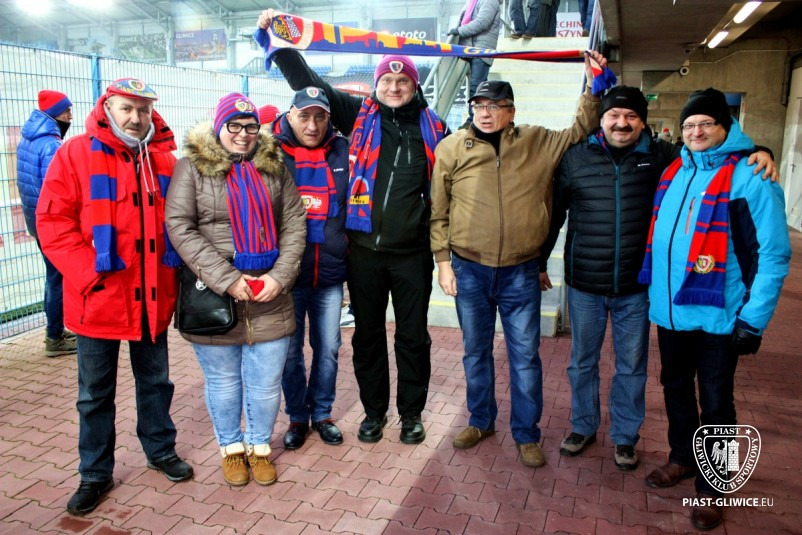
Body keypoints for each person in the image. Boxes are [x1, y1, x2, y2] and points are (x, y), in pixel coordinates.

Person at [537, 86, 776, 472]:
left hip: (651, 292)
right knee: (591, 364)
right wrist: (541, 261)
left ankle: (632, 440)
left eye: (631, 116)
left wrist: (760, 151)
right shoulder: (577, 158)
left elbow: (719, 156)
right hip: (594, 287)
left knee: (666, 380)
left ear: (643, 123)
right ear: (601, 120)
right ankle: (588, 428)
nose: (622, 123)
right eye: (614, 115)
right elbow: (555, 214)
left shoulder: (665, 158)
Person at [257, 10, 447, 446]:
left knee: (413, 338)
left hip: (412, 254)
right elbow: (309, 84)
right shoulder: (358, 115)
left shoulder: (436, 128)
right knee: (368, 337)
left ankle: (411, 414)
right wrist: (280, 41)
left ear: (414, 86)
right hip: (363, 253)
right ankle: (374, 413)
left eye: (402, 81)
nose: (394, 87)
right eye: (387, 81)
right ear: (376, 85)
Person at [429, 50, 606, 468]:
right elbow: (439, 209)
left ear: (511, 112)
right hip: (469, 268)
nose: (485, 113)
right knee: (475, 351)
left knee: (525, 356)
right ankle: (481, 420)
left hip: (520, 272)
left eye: (495, 106)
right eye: (479, 105)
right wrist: (443, 261)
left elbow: (581, 128)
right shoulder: (452, 147)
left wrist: (592, 85)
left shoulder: (537, 141)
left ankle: (527, 434)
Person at [36, 78, 194, 516]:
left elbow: (182, 221)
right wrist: (89, 275)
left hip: (152, 297)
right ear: (108, 109)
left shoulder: (164, 159)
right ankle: (94, 473)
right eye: (127, 108)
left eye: (143, 110)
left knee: (156, 382)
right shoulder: (75, 154)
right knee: (94, 394)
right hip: (98, 299)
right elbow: (53, 222)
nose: (136, 118)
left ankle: (160, 450)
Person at [639, 88, 790, 530]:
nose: (696, 132)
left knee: (717, 402)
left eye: (706, 123)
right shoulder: (675, 170)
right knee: (675, 387)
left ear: (726, 127)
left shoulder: (751, 177)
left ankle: (715, 485)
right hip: (672, 312)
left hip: (721, 316)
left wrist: (754, 320)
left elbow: (773, 254)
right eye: (689, 125)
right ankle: (683, 457)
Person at [165, 93, 306, 487]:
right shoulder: (191, 168)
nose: (243, 134)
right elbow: (180, 226)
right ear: (219, 126)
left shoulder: (275, 167)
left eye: (250, 126)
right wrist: (227, 279)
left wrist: (279, 277)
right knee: (224, 383)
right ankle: (230, 449)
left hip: (269, 294)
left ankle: (259, 447)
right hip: (216, 296)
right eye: (234, 126)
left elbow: (294, 223)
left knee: (266, 383)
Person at [270, 87, 348, 450]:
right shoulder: (270, 153)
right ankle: (297, 416)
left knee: (328, 348)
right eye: (304, 117)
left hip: (329, 274)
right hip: (287, 277)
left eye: (320, 117)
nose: (313, 126)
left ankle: (323, 413)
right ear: (290, 116)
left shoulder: (342, 150)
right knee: (289, 352)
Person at [17, 89, 77, 357]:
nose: (70, 116)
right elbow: (58, 189)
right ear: (54, 113)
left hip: (35, 219)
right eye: (66, 111)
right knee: (57, 279)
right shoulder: (51, 145)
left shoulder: (28, 139)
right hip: (52, 223)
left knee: (53, 277)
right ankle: (54, 337)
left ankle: (56, 330)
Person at [447, 0, 501, 122]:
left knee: (477, 87)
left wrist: (459, 31)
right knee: (477, 87)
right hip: (472, 48)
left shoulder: (489, 1)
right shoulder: (473, 2)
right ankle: (478, 118)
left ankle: (474, 119)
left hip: (481, 50)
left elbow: (482, 23)